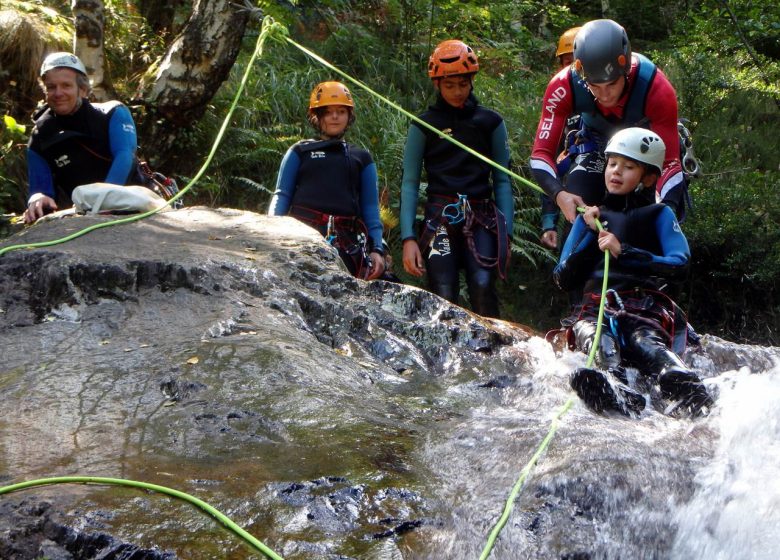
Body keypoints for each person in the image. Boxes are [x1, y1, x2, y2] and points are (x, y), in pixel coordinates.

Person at [553, 127, 712, 418]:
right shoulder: (590, 217)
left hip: (643, 307)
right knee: (596, 339)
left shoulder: (659, 214)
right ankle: (616, 389)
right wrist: (590, 235)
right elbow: (563, 277)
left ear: (649, 177)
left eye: (628, 167)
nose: (616, 172)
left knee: (645, 344)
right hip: (594, 308)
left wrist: (623, 251)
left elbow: (680, 263)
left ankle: (678, 380)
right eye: (612, 164)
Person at [530, 19, 686, 228]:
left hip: (643, 153)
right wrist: (559, 195)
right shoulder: (563, 85)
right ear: (581, 73)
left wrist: (667, 209)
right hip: (595, 144)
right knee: (579, 216)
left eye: (612, 83)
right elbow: (541, 154)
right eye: (594, 85)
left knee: (647, 221)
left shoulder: (656, 87)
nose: (604, 94)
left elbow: (669, 163)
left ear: (625, 70)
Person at [400, 39, 513, 318]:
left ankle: (492, 353)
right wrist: (408, 238)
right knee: (443, 292)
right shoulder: (424, 125)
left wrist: (506, 233)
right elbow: (410, 183)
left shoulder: (490, 122)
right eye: (449, 85)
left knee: (483, 285)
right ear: (437, 84)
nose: (457, 92)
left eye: (463, 84)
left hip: (481, 217)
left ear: (471, 81)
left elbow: (502, 179)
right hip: (441, 217)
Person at [269, 81, 386, 281]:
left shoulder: (361, 158)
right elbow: (282, 195)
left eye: (341, 111)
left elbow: (370, 208)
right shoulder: (299, 152)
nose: (334, 116)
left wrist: (377, 248)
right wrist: (270, 231)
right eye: (328, 112)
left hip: (346, 242)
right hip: (301, 236)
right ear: (317, 116)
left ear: (349, 116)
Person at [24, 52, 146, 224]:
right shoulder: (40, 136)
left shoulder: (113, 114)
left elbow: (125, 156)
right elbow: (41, 188)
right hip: (83, 214)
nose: (58, 93)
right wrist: (38, 198)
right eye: (51, 87)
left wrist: (101, 203)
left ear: (82, 89)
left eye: (66, 85)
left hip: (135, 203)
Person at [540, 26, 581, 250]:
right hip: (573, 209)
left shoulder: (613, 104)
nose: (576, 68)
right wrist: (549, 223)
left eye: (580, 61)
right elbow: (549, 165)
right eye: (568, 63)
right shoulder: (557, 111)